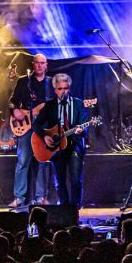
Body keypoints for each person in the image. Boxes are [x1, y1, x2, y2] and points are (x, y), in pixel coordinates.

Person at [31, 73, 88, 209]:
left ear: (69, 88)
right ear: (55, 89)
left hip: (74, 145)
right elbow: (36, 124)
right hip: (56, 148)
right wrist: (45, 136)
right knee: (60, 181)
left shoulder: (78, 104)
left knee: (75, 180)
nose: (63, 91)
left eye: (66, 88)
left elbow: (84, 124)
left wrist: (82, 130)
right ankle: (64, 207)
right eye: (60, 88)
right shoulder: (50, 105)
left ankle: (75, 208)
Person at [7, 53, 54, 207]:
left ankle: (41, 197)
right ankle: (19, 197)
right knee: (22, 161)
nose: (40, 65)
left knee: (43, 161)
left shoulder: (51, 83)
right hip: (25, 126)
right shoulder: (23, 81)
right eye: (37, 63)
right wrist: (15, 111)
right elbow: (12, 102)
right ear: (32, 64)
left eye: (43, 63)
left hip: (43, 127)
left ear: (46, 65)